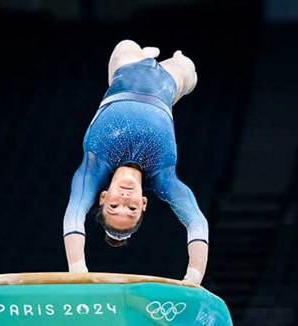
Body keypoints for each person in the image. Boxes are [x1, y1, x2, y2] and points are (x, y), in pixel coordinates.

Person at [63, 40, 208, 285]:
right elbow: (196, 221)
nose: (124, 201)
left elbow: (74, 215)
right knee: (188, 68)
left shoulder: (93, 168)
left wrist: (78, 271)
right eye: (131, 209)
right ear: (143, 203)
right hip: (168, 83)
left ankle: (143, 54)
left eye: (113, 207)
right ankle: (173, 60)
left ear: (102, 198)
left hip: (125, 69)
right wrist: (193, 278)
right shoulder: (164, 178)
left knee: (126, 45)